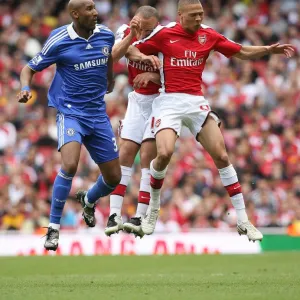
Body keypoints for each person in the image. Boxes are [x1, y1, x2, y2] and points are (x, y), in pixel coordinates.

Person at [129, 0, 295, 241]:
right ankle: (153, 210)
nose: (198, 18)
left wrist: (269, 50)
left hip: (196, 102)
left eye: (201, 14)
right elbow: (133, 48)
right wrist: (147, 62)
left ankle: (243, 220)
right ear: (180, 15)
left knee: (222, 156)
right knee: (163, 154)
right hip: (169, 102)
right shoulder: (164, 34)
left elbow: (241, 51)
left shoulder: (209, 34)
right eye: (193, 15)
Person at [17, 0, 121, 251]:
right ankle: (53, 229)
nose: (95, 12)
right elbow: (28, 68)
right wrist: (24, 88)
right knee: (70, 164)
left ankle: (88, 199)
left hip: (97, 113)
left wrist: (110, 80)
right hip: (71, 112)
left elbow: (108, 58)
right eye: (89, 9)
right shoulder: (59, 39)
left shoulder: (105, 35)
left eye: (95, 8)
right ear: (75, 14)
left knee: (114, 178)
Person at [105, 6, 161, 238]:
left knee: (148, 155)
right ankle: (114, 214)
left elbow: (173, 72)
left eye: (149, 30)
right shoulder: (124, 31)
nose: (145, 34)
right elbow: (117, 55)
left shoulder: (164, 37)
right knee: (125, 152)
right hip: (137, 101)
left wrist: (153, 74)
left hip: (160, 100)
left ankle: (140, 214)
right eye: (142, 29)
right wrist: (134, 40)